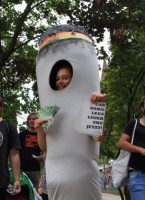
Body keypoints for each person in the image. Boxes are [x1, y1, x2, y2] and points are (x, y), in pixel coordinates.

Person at [35, 62, 107, 200]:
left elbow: (98, 137)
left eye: (65, 77)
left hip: (83, 175)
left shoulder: (86, 102)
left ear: (73, 80)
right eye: (57, 78)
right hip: (57, 177)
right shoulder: (48, 108)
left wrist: (99, 107)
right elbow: (44, 148)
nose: (60, 81)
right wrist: (39, 130)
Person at [19, 113, 41, 191]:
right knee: (22, 194)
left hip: (35, 170)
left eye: (34, 119)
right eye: (30, 119)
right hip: (22, 170)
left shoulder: (41, 135)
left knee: (34, 193)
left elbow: (43, 151)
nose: (32, 120)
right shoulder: (21, 135)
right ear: (28, 121)